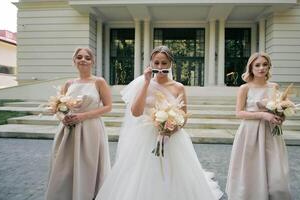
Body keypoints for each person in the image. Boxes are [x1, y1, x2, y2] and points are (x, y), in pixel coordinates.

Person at [96, 46, 223, 200]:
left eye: (164, 63)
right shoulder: (143, 83)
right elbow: (136, 112)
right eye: (156, 63)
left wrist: (170, 129)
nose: (160, 67)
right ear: (151, 63)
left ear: (171, 64)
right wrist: (146, 83)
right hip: (145, 136)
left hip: (172, 137)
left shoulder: (178, 87)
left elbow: (183, 117)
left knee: (174, 173)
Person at [45, 47, 112, 200]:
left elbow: (108, 107)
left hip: (90, 129)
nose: (83, 60)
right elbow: (58, 107)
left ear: (93, 62)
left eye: (87, 58)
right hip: (68, 130)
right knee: (65, 165)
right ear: (74, 61)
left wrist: (83, 116)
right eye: (79, 57)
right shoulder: (68, 83)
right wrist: (62, 118)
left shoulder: (99, 82)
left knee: (88, 165)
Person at [225, 52, 291, 200]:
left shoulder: (274, 86)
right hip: (250, 133)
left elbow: (280, 110)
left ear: (269, 67)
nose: (261, 68)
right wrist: (262, 115)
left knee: (275, 170)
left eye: (265, 65)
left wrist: (281, 116)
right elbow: (239, 113)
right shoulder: (245, 88)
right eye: (257, 65)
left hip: (271, 133)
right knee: (251, 168)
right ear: (251, 68)